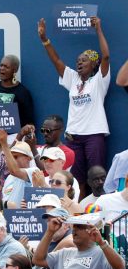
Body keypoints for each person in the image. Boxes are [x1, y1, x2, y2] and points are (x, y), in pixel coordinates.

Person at [38, 16, 111, 191]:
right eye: (78, 60)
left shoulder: (99, 80)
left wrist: (98, 28)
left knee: (97, 176)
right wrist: (44, 40)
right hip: (73, 138)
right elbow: (57, 61)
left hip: (94, 135)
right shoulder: (73, 79)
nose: (79, 62)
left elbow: (106, 56)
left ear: (94, 64)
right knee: (75, 180)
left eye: (84, 60)